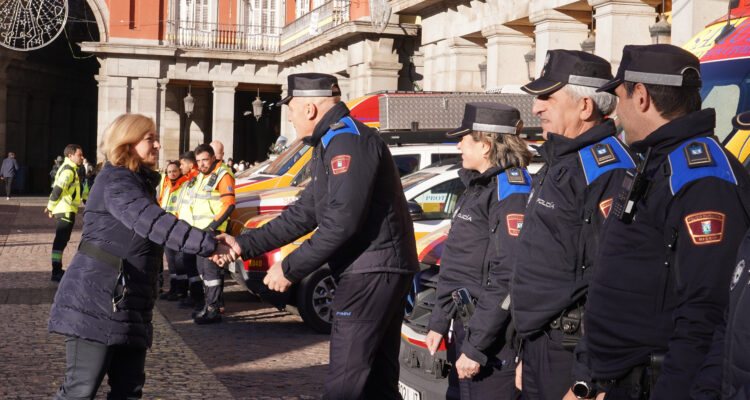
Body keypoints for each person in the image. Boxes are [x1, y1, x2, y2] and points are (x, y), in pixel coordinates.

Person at [216, 72, 419, 399]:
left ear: (310, 108)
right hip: (373, 268)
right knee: (377, 384)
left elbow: (342, 221)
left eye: (291, 110)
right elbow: (305, 212)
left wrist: (290, 268)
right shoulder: (331, 142)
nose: (291, 119)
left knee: (345, 383)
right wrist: (243, 244)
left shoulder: (346, 140)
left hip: (370, 271)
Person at [580, 44, 750, 400]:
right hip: (617, 381)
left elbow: (706, 313)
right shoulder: (658, 161)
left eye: (620, 98)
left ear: (640, 96)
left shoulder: (703, 178)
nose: (618, 114)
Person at [47, 113, 235, 400]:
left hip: (129, 302)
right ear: (127, 144)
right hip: (96, 301)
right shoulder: (116, 181)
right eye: (150, 139)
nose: (158, 145)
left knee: (128, 391)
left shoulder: (138, 181)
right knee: (80, 391)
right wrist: (209, 245)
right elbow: (154, 222)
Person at [507, 50, 635, 400]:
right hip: (539, 348)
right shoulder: (561, 160)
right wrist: (524, 348)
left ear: (585, 107)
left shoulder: (608, 169)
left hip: (571, 355)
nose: (535, 108)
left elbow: (613, 280)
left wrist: (587, 379)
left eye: (547, 97)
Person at [423, 102, 532, 400]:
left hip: (493, 339)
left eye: (464, 138)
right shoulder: (479, 187)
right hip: (468, 327)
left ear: (485, 146)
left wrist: (476, 347)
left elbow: (507, 275)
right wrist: (439, 320)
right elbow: (458, 264)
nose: (458, 145)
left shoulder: (512, 191)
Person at [183, 143, 235, 324]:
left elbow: (229, 204)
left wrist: (213, 227)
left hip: (212, 230)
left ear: (213, 158)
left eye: (205, 160)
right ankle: (210, 304)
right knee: (202, 270)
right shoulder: (201, 176)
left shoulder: (223, 174)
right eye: (198, 161)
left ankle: (213, 310)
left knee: (210, 271)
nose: (202, 164)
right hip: (198, 230)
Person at [47, 144, 84, 282]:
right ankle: (56, 271)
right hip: (66, 211)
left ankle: (57, 270)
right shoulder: (69, 171)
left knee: (61, 242)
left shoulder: (69, 168)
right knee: (60, 242)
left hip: (65, 209)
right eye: (79, 155)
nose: (81, 157)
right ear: (70, 155)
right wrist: (50, 207)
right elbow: (58, 189)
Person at [158, 160, 191, 301]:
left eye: (174, 171)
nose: (172, 174)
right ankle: (173, 288)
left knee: (179, 261)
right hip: (167, 229)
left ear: (179, 171)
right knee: (171, 261)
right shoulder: (166, 188)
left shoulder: (184, 186)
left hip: (179, 228)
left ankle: (181, 290)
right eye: (169, 171)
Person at [175, 151, 204, 310]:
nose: (180, 167)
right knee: (188, 264)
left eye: (182, 164)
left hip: (193, 228)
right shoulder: (189, 180)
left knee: (192, 264)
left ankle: (198, 297)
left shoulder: (196, 180)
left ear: (191, 164)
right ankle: (194, 295)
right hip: (186, 227)